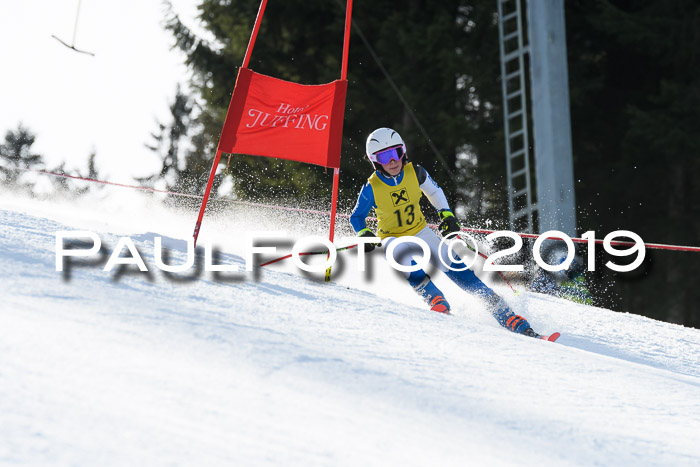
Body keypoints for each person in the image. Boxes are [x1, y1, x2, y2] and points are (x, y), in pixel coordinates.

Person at [350, 127, 544, 338]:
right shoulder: (372, 187)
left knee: (460, 271)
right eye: (384, 157)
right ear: (374, 161)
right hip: (391, 237)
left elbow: (434, 191)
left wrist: (446, 214)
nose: (392, 161)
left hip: (420, 231)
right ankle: (435, 298)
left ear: (403, 151)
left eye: (395, 153)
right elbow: (356, 217)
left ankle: (508, 316)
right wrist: (364, 233)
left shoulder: (415, 172)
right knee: (402, 258)